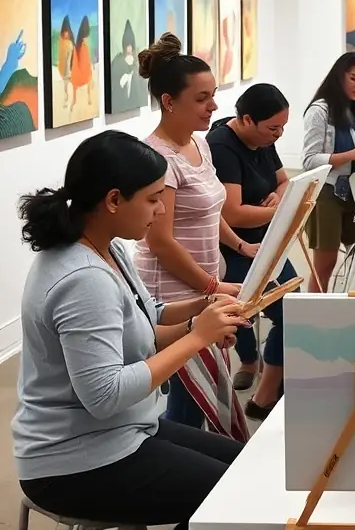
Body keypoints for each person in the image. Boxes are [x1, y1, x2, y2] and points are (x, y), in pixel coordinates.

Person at [13, 131, 246, 529]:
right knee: (235, 498)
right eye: (153, 198)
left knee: (248, 466)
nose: (160, 211)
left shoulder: (106, 246)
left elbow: (143, 317)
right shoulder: (84, 278)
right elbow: (105, 396)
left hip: (125, 432)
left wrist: (200, 312)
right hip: (73, 462)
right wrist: (197, 338)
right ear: (114, 200)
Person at [133, 33, 252, 438]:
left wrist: (238, 244)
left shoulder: (200, 145)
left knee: (197, 397)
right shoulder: (158, 159)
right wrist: (212, 286)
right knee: (189, 398)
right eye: (202, 99)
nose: (214, 106)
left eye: (213, 95)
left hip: (202, 285)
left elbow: (210, 207)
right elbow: (159, 241)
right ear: (169, 101)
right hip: (172, 291)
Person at [207, 83, 297, 420]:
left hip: (265, 243)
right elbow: (233, 213)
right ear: (246, 120)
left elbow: (284, 182)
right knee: (243, 311)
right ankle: (250, 363)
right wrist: (278, 210)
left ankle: (269, 386)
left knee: (292, 310)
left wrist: (278, 197)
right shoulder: (222, 146)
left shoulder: (264, 140)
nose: (279, 135)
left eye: (283, 128)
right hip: (232, 247)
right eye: (274, 128)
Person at [303, 53, 355, 293]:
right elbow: (309, 160)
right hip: (327, 192)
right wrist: (350, 156)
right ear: (339, 76)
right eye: (354, 79)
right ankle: (314, 319)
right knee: (324, 265)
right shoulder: (320, 110)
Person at [108, 19, 147, 112]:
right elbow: (112, 84)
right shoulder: (117, 62)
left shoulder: (138, 61)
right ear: (123, 46)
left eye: (131, 45)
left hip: (134, 104)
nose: (129, 49)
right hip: (120, 106)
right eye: (127, 45)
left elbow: (143, 87)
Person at [70, 15, 93, 110]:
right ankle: (87, 98)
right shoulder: (82, 47)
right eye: (86, 37)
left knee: (87, 79)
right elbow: (84, 61)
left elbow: (86, 61)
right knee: (88, 78)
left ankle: (85, 98)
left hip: (82, 70)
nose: (87, 39)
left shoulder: (81, 46)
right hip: (81, 71)